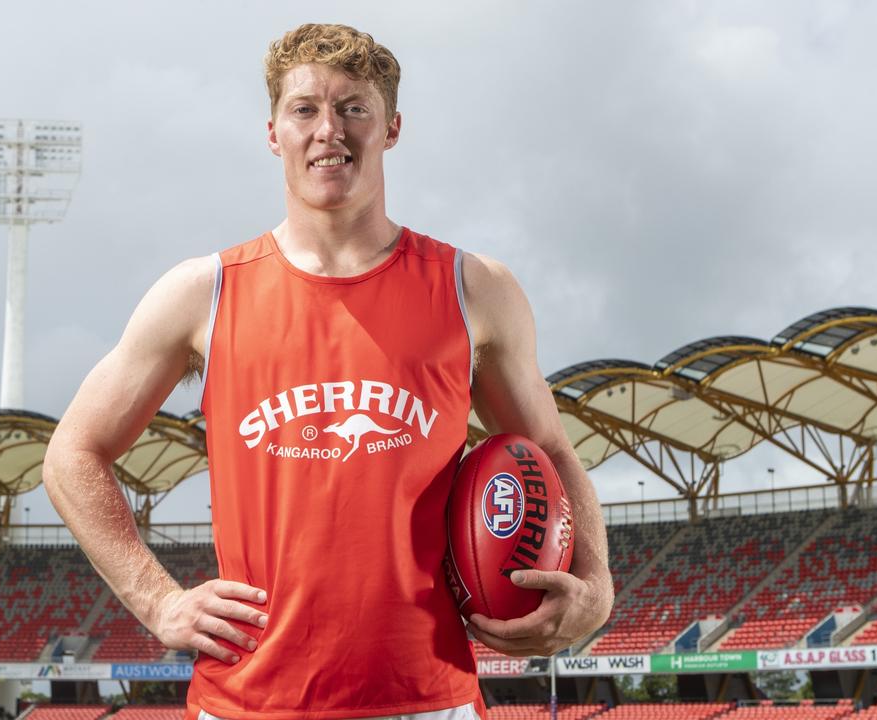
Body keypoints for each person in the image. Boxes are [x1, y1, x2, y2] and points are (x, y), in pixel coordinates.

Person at [43, 23, 613, 720]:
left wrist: (597, 584)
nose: (328, 130)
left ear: (392, 127)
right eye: (305, 109)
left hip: (426, 697)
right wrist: (158, 599)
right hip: (247, 700)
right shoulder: (204, 292)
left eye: (354, 108)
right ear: (273, 131)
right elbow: (72, 453)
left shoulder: (474, 289)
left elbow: (548, 450)